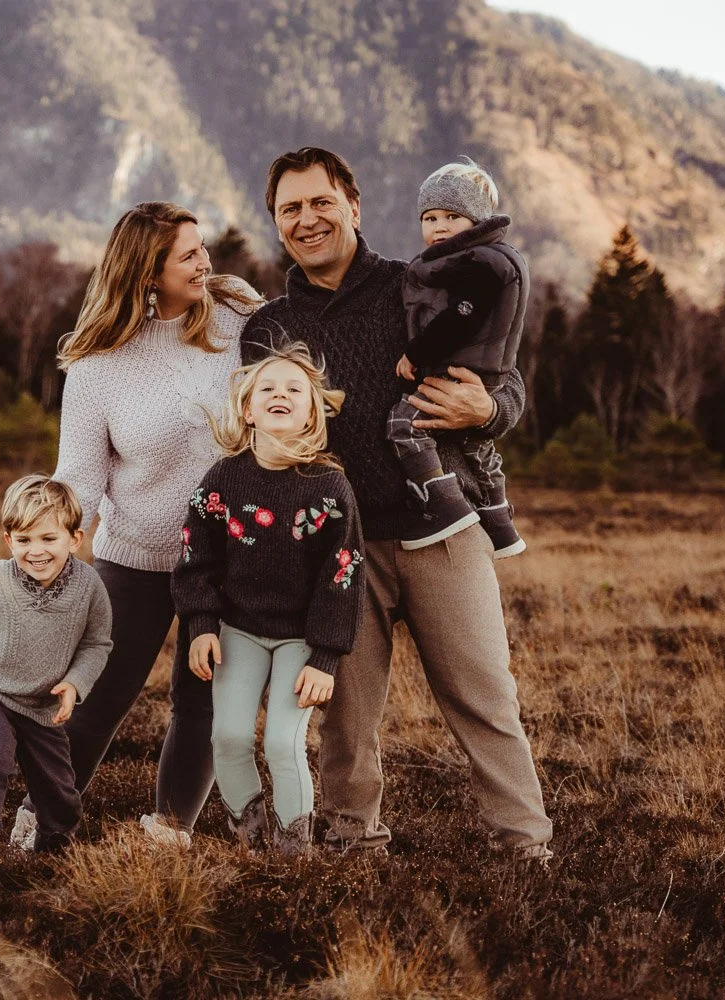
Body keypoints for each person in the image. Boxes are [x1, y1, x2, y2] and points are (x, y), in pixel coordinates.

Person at [243, 147, 553, 862]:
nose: (307, 218)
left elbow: (503, 375)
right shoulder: (267, 328)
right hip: (338, 548)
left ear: (353, 207)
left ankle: (525, 848)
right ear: (278, 225)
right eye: (290, 208)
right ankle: (355, 844)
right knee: (345, 717)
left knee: (484, 698)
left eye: (321, 202)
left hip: (442, 531)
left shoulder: (422, 284)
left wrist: (491, 407)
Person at [9, 202, 263, 850]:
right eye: (188, 255)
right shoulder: (96, 365)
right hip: (136, 557)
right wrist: (48, 546)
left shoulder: (237, 319)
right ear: (148, 271)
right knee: (96, 701)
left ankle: (168, 836)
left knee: (203, 702)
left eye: (203, 249)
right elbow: (80, 476)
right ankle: (38, 828)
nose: (206, 262)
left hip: (231, 560)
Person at [171, 344, 364, 853]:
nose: (280, 394)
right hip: (236, 632)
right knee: (229, 739)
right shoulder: (224, 478)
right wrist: (201, 625)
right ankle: (254, 841)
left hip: (301, 639)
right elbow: (196, 558)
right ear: (247, 408)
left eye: (294, 389)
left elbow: (342, 576)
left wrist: (325, 657)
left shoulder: (329, 487)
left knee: (282, 742)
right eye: (268, 389)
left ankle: (292, 853)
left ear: (313, 412)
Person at [0, 474, 113, 853]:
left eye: (49, 538)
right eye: (24, 540)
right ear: (9, 540)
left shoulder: (90, 587)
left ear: (75, 538)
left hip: (41, 708)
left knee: (60, 791)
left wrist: (75, 684)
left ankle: (52, 849)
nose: (36, 551)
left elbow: (97, 643)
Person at [388, 157, 528, 557]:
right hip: (479, 369)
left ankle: (440, 502)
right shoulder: (474, 262)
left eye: (453, 216)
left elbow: (459, 319)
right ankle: (499, 521)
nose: (440, 227)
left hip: (462, 372)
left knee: (404, 422)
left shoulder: (479, 266)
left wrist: (416, 352)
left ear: (478, 221)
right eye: (430, 218)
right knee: (475, 446)